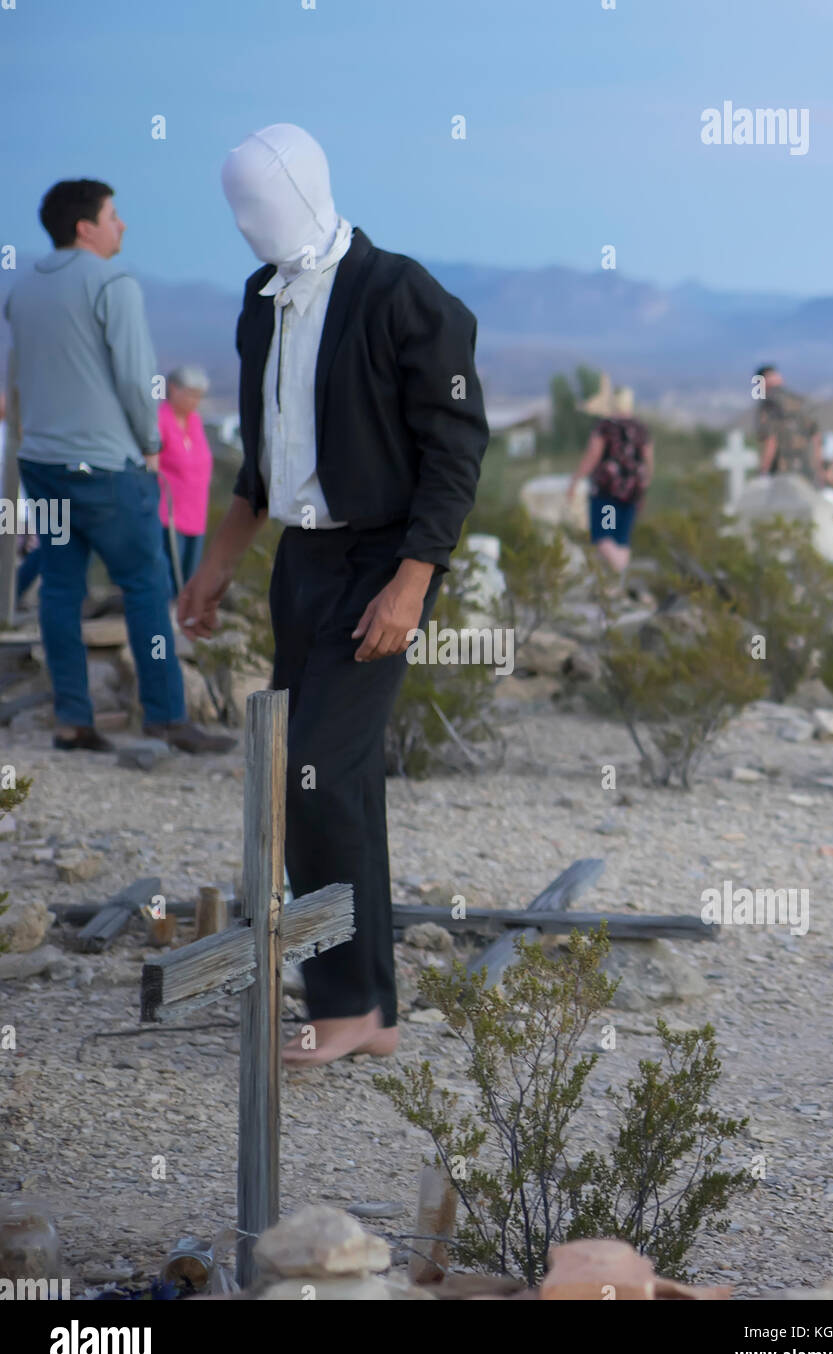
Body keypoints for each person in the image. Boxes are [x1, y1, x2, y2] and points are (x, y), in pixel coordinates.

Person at [178, 124, 489, 1067]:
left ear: (303, 190)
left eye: (255, 202)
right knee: (328, 779)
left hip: (384, 567)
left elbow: (458, 446)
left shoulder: (404, 295)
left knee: (310, 773)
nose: (243, 224)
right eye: (233, 207)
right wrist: (217, 562)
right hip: (303, 568)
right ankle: (373, 1012)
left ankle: (346, 1003)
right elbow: (262, 460)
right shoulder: (259, 301)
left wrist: (412, 580)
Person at [3, 179, 234, 754]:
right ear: (86, 226)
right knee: (146, 586)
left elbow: (17, 377)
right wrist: (150, 441)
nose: (122, 225)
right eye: (114, 215)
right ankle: (165, 715)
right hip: (105, 467)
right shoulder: (114, 284)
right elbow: (137, 378)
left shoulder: (22, 289)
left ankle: (72, 722)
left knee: (59, 588)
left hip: (43, 465)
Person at [567, 376, 653, 580]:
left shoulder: (605, 427)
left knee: (605, 537)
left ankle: (623, 577)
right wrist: (643, 486)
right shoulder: (640, 428)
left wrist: (575, 480)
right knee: (621, 541)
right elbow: (649, 461)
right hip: (632, 493)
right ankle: (616, 584)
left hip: (608, 493)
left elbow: (593, 456)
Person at [157, 366, 214, 596]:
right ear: (173, 388)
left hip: (196, 512)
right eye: (191, 393)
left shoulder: (195, 421)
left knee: (190, 576)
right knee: (170, 576)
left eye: (199, 395)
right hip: (168, 513)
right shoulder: (160, 420)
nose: (195, 401)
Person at [754, 364, 823, 485]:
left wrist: (763, 472)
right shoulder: (800, 402)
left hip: (782, 473)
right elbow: (816, 437)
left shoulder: (769, 405)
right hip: (806, 472)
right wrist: (818, 469)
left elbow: (771, 440)